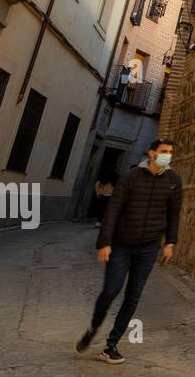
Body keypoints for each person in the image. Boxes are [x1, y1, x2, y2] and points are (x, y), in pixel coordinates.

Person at [75, 138, 182, 364]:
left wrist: (170, 242)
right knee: (111, 290)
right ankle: (94, 326)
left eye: (170, 152)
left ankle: (110, 345)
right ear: (152, 153)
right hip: (121, 245)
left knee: (133, 297)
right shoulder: (131, 177)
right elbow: (113, 209)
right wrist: (104, 242)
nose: (168, 156)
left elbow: (174, 214)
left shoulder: (173, 181)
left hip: (149, 247)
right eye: (164, 152)